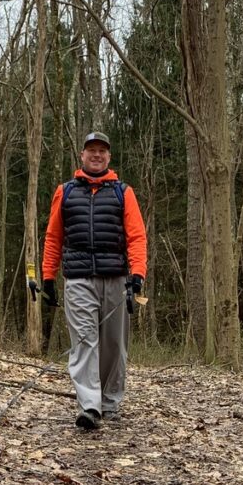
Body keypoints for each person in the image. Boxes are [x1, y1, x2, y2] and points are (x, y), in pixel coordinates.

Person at [41, 130, 148, 429]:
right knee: (85, 340)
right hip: (78, 280)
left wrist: (137, 275)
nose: (96, 155)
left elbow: (137, 237)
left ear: (108, 157)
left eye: (102, 150)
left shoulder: (122, 192)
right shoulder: (65, 192)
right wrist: (48, 277)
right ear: (82, 155)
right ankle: (90, 406)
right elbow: (53, 237)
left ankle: (110, 401)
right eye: (91, 150)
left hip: (115, 278)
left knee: (113, 343)